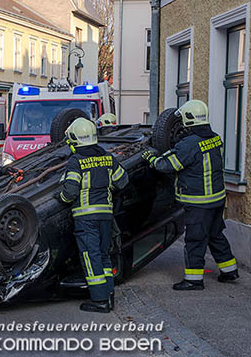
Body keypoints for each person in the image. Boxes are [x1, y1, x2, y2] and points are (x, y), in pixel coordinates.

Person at [142, 100, 239, 291]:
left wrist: (151, 158)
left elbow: (167, 165)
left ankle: (194, 280)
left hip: (198, 202)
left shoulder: (189, 144)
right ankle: (230, 271)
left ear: (188, 119)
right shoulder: (215, 138)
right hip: (217, 199)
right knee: (215, 234)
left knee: (195, 240)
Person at [58, 118, 128, 313]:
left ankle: (99, 301)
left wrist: (61, 197)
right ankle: (109, 295)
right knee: (104, 256)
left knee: (91, 257)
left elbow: (70, 191)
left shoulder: (76, 161)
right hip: (105, 215)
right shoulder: (107, 158)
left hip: (86, 218)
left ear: (76, 140)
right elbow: (122, 181)